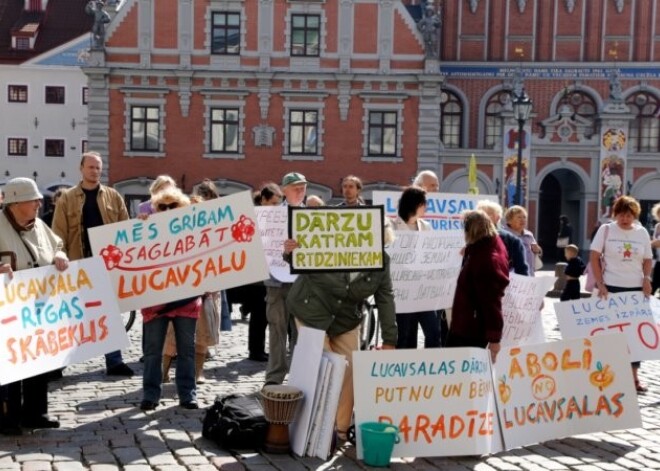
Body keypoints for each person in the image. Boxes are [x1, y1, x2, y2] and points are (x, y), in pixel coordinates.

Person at [285, 221, 397, 442]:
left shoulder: (382, 262)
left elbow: (386, 299)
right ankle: (311, 429)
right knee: (322, 366)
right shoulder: (332, 246)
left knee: (349, 370)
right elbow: (303, 260)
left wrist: (390, 339)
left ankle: (341, 429)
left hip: (346, 319)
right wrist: (291, 253)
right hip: (312, 310)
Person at [51, 151, 134, 377]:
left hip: (106, 265)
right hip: (77, 265)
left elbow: (125, 230)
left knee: (109, 314)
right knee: (72, 316)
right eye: (91, 167)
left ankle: (114, 362)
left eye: (98, 167)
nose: (95, 171)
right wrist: (60, 255)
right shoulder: (67, 198)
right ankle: (59, 364)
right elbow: (57, 234)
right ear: (81, 169)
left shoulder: (113, 196)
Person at [0, 178, 70, 435]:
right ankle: (7, 417)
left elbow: (57, 245)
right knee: (8, 364)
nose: (40, 203)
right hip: (6, 309)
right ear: (16, 202)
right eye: (34, 199)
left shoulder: (40, 225)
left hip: (39, 305)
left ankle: (36, 413)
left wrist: (60, 255)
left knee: (37, 360)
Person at [139, 188, 201, 410]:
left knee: (187, 350)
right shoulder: (145, 228)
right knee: (153, 351)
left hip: (186, 299)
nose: (167, 210)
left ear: (182, 206)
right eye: (162, 206)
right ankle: (150, 395)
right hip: (156, 301)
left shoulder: (193, 230)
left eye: (172, 205)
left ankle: (187, 394)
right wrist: (140, 225)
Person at [590, 195, 653, 393]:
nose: (625, 219)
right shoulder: (606, 230)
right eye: (621, 215)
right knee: (610, 335)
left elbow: (648, 259)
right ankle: (607, 375)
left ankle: (634, 378)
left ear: (635, 215)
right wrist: (600, 283)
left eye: (629, 215)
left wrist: (646, 278)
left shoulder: (641, 232)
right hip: (611, 287)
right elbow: (594, 256)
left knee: (633, 337)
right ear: (616, 214)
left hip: (635, 290)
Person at [162, 180, 221, 384]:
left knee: (203, 334)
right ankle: (164, 372)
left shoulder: (214, 231)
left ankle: (198, 373)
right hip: (180, 289)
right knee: (172, 335)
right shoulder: (176, 233)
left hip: (207, 289)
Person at [446, 209, 510, 363]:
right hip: (468, 323)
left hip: (471, 328)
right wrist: (469, 250)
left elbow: (491, 301)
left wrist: (495, 339)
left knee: (461, 372)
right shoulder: (491, 245)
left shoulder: (485, 260)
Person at [263, 172, 307, 385]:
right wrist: (282, 248)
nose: (300, 191)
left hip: (303, 283)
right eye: (296, 187)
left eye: (303, 187)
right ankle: (274, 377)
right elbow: (264, 245)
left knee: (301, 333)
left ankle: (299, 377)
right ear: (284, 190)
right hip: (277, 281)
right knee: (277, 330)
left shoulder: (312, 217)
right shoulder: (270, 216)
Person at [392, 186, 441, 349]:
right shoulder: (392, 227)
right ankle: (404, 371)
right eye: (424, 203)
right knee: (406, 336)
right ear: (415, 204)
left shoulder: (426, 227)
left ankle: (430, 369)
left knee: (433, 332)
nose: (426, 207)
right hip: (403, 292)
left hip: (423, 291)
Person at [476, 200, 529, 275]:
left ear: (497, 218)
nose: (482, 217)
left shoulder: (512, 241)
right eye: (479, 214)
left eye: (488, 214)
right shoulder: (472, 239)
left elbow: (522, 271)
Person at [502, 205, 542, 276]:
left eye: (524, 217)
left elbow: (537, 252)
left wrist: (538, 250)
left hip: (529, 275)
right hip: (512, 277)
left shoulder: (529, 234)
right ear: (509, 221)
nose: (523, 220)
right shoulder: (504, 235)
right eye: (519, 217)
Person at [651, 202, 660, 297]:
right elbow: (655, 243)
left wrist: (653, 243)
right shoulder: (657, 226)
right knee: (653, 286)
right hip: (658, 261)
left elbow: (656, 243)